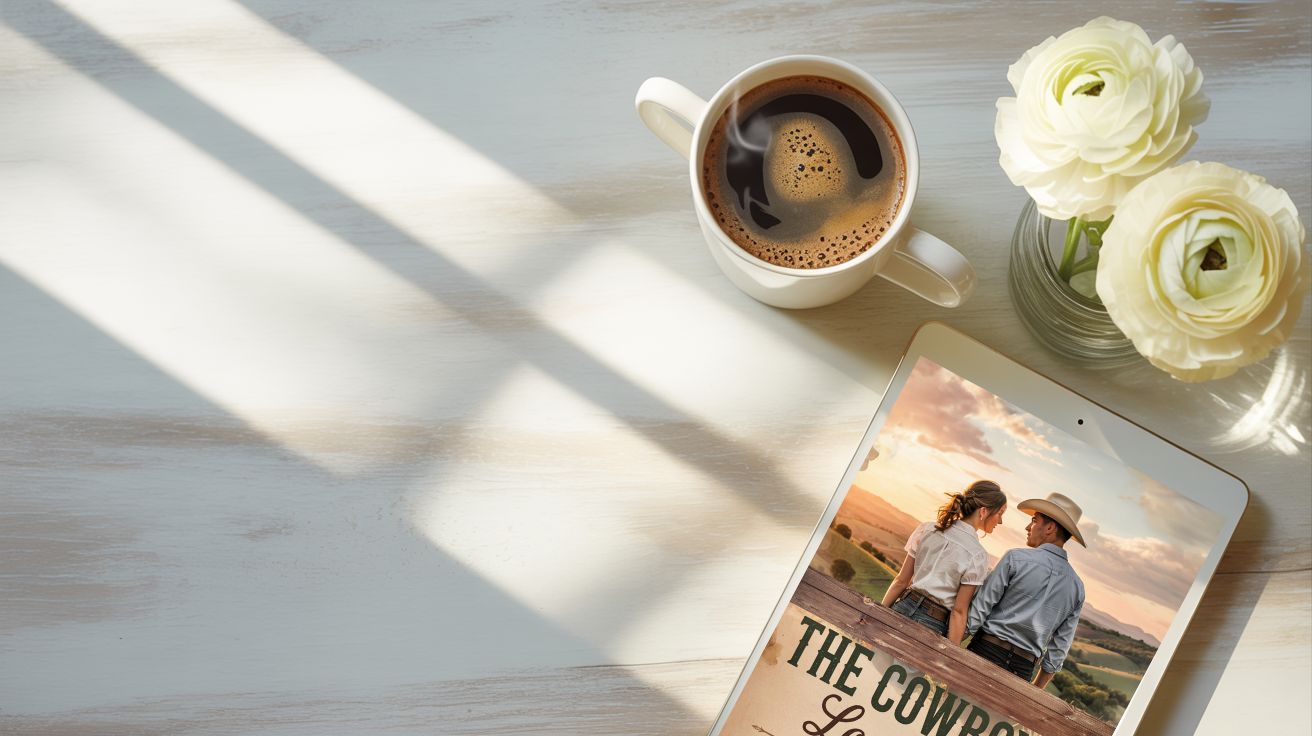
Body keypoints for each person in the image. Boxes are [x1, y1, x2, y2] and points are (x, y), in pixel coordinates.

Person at [965, 492, 1087, 689]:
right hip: (1022, 671)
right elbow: (1058, 650)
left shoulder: (1015, 558)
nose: (1028, 527)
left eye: (1034, 520)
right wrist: (1034, 693)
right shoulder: (1077, 588)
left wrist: (951, 648)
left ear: (1050, 527)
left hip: (985, 650)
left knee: (951, 713)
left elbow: (979, 609)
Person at [881, 480, 1007, 643]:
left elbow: (901, 581)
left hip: (902, 606)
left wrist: (877, 614)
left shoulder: (927, 529)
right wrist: (950, 656)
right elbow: (959, 611)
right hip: (930, 626)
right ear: (983, 511)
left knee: (875, 665)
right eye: (1000, 513)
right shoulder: (978, 555)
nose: (1001, 521)